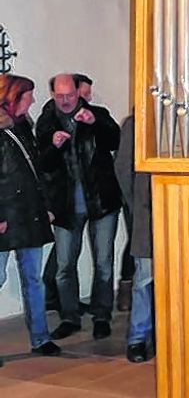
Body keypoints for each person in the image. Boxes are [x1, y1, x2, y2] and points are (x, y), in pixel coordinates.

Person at [36, 73, 121, 341]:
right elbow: (44, 165)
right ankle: (70, 316)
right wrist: (53, 146)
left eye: (70, 95)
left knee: (104, 262)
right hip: (66, 205)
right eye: (59, 96)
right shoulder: (46, 121)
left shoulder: (96, 114)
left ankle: (101, 316)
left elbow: (115, 142)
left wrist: (96, 124)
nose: (65, 101)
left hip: (101, 200)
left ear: (78, 93)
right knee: (64, 265)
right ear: (52, 95)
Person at [0, 74, 61, 363]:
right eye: (28, 95)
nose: (33, 100)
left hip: (29, 213)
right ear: (13, 97)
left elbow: (36, 172)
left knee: (33, 280)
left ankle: (41, 338)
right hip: (5, 216)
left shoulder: (24, 127)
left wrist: (45, 206)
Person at [114, 113, 154, 363]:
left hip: (181, 213)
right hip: (147, 212)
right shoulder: (136, 122)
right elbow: (123, 169)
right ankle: (138, 338)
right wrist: (137, 206)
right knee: (143, 280)